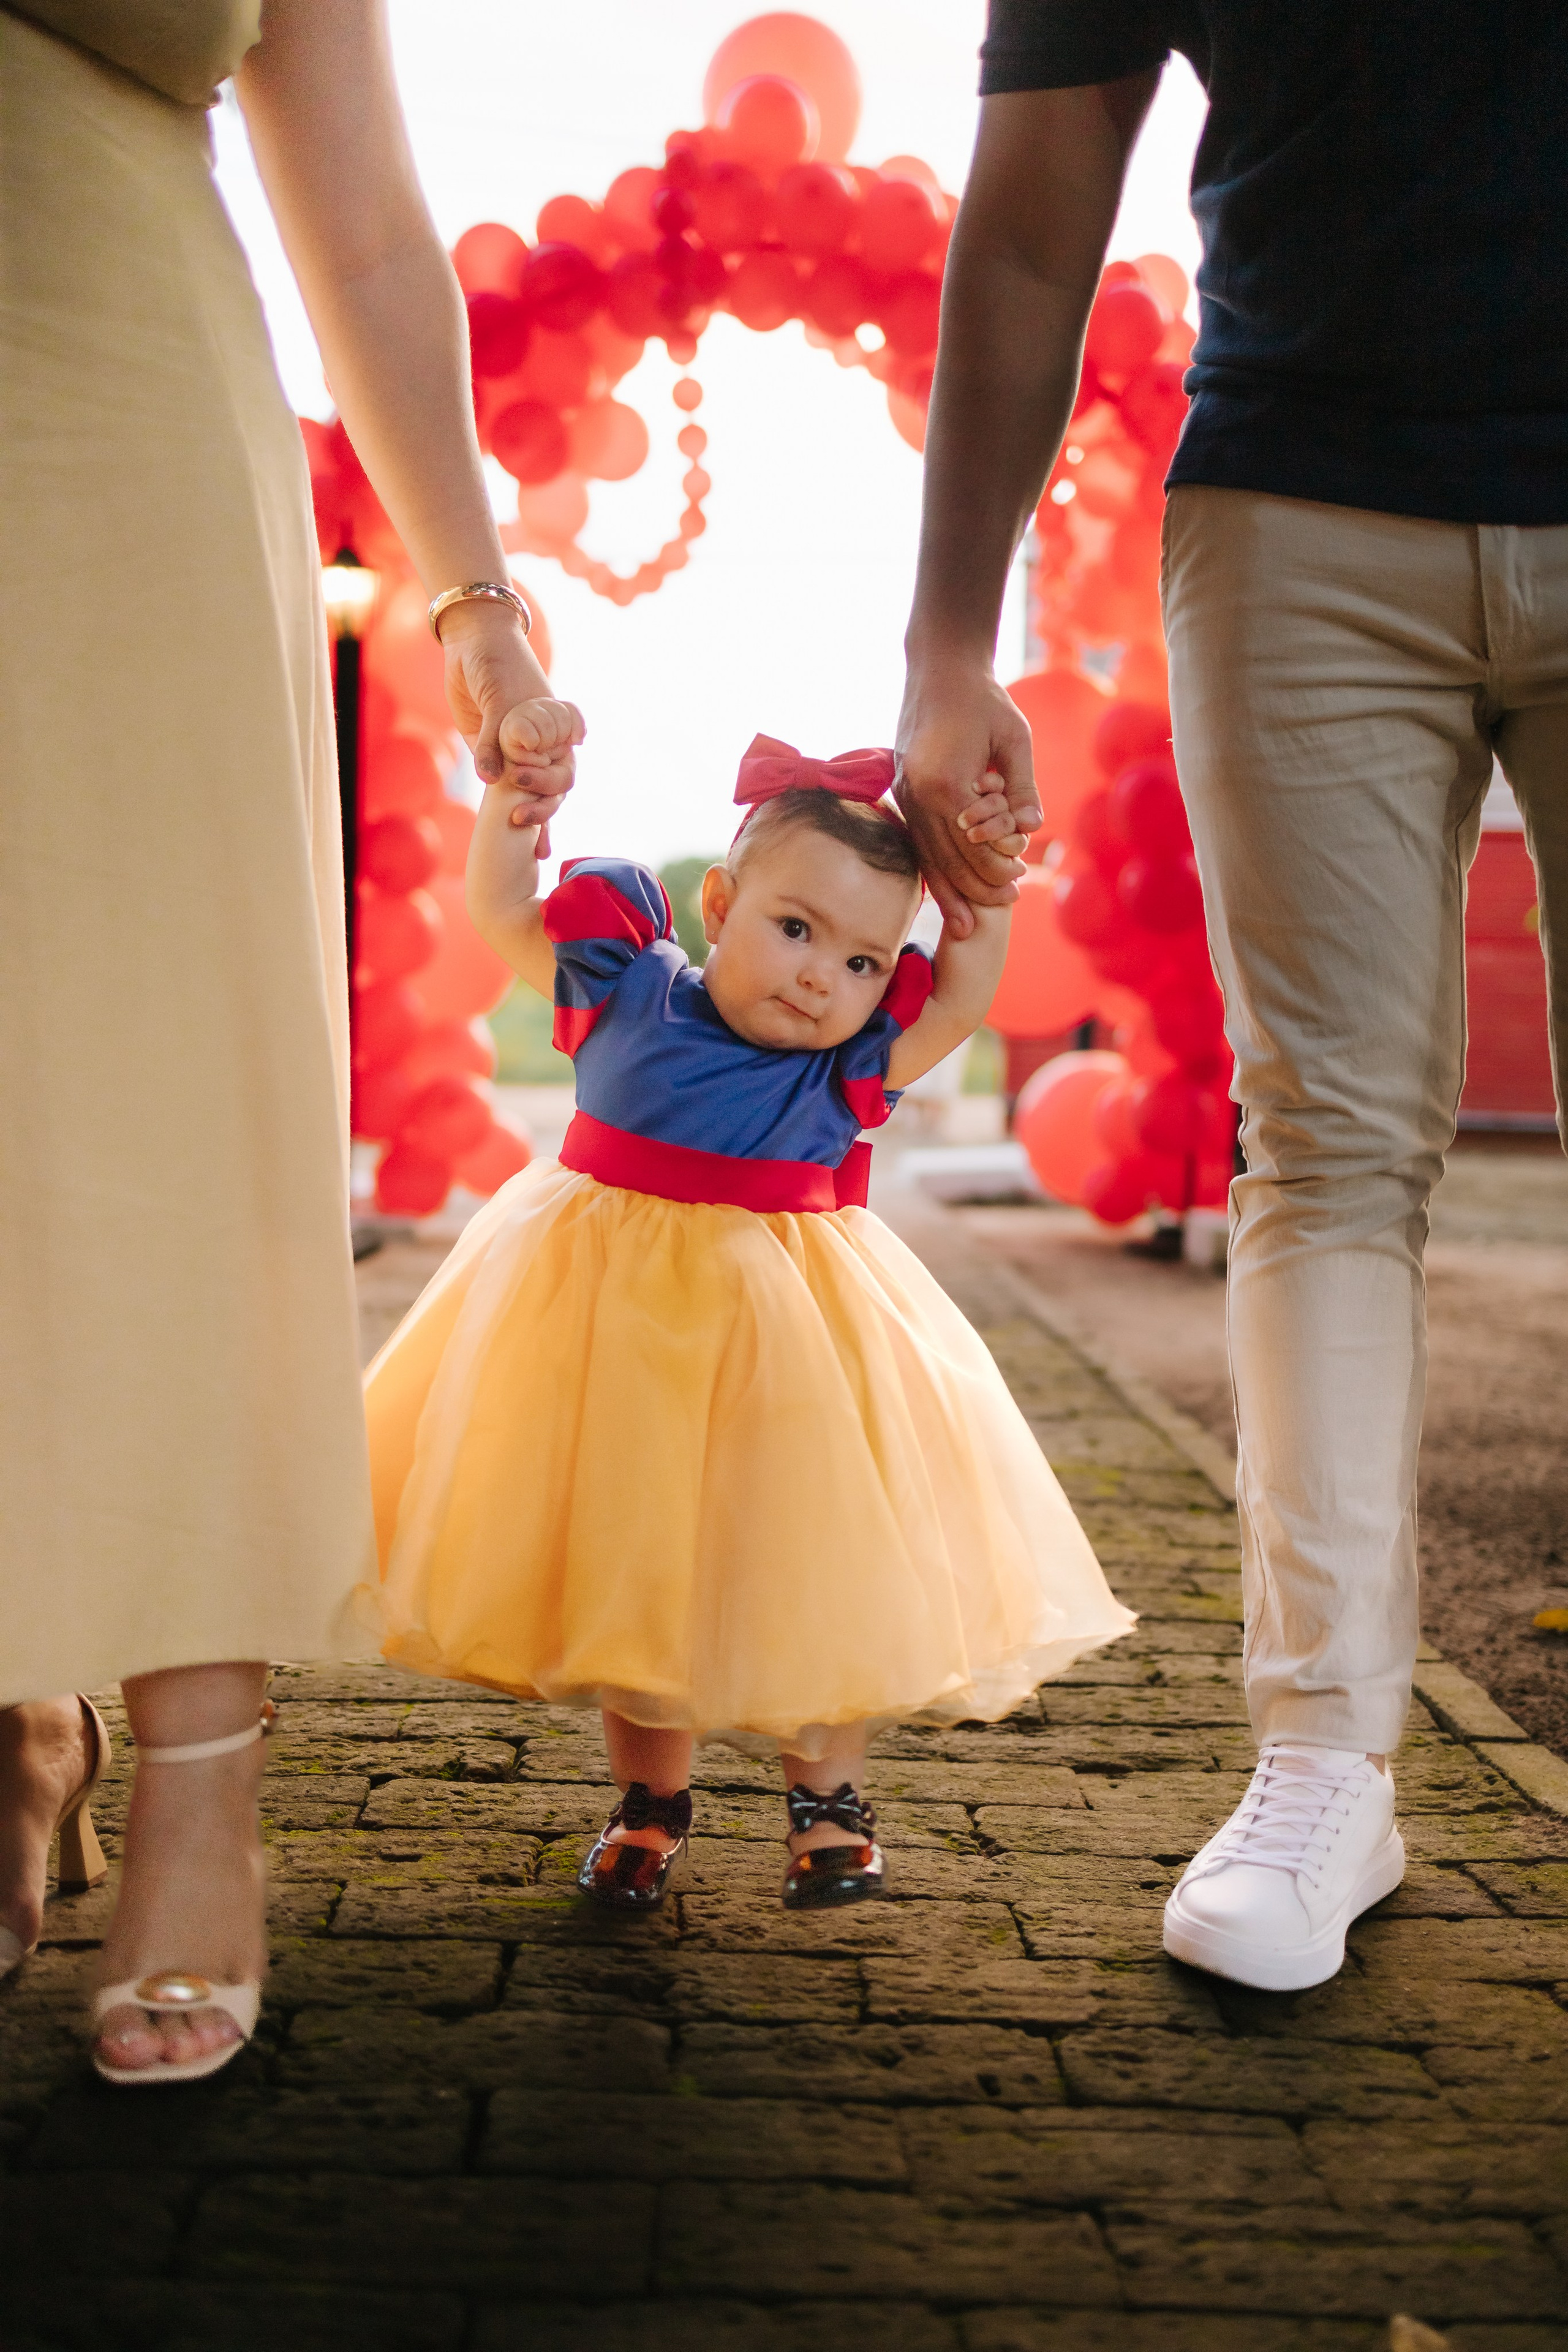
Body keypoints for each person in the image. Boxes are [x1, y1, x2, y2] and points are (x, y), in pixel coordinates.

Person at [896, 1, 1568, 1992]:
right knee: (1332, 1150)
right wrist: (945, 638)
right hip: (1302, 506)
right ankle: (1325, 1759)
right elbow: (1034, 215)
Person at [0, 0, 580, 2084]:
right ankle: (15, 1703)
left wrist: (475, 600)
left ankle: (199, 1773)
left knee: (153, 1076)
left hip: (102, 412)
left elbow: (359, 217)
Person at [361, 739, 1134, 1909]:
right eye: (796, 930)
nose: (823, 975)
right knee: (637, 1564)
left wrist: (989, 877)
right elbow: (501, 910)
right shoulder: (623, 987)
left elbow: (967, 996)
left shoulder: (850, 1068)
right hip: (608, 1341)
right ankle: (649, 1803)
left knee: (806, 1551)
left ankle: (827, 1798)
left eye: (865, 958)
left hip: (793, 1345)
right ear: (718, 905)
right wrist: (513, 812)